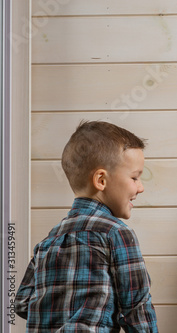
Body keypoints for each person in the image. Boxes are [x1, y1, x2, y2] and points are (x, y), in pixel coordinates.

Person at [15, 121, 158, 332]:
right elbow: (137, 311)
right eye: (135, 177)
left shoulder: (48, 241)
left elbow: (22, 303)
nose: (141, 187)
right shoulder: (117, 234)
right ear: (101, 180)